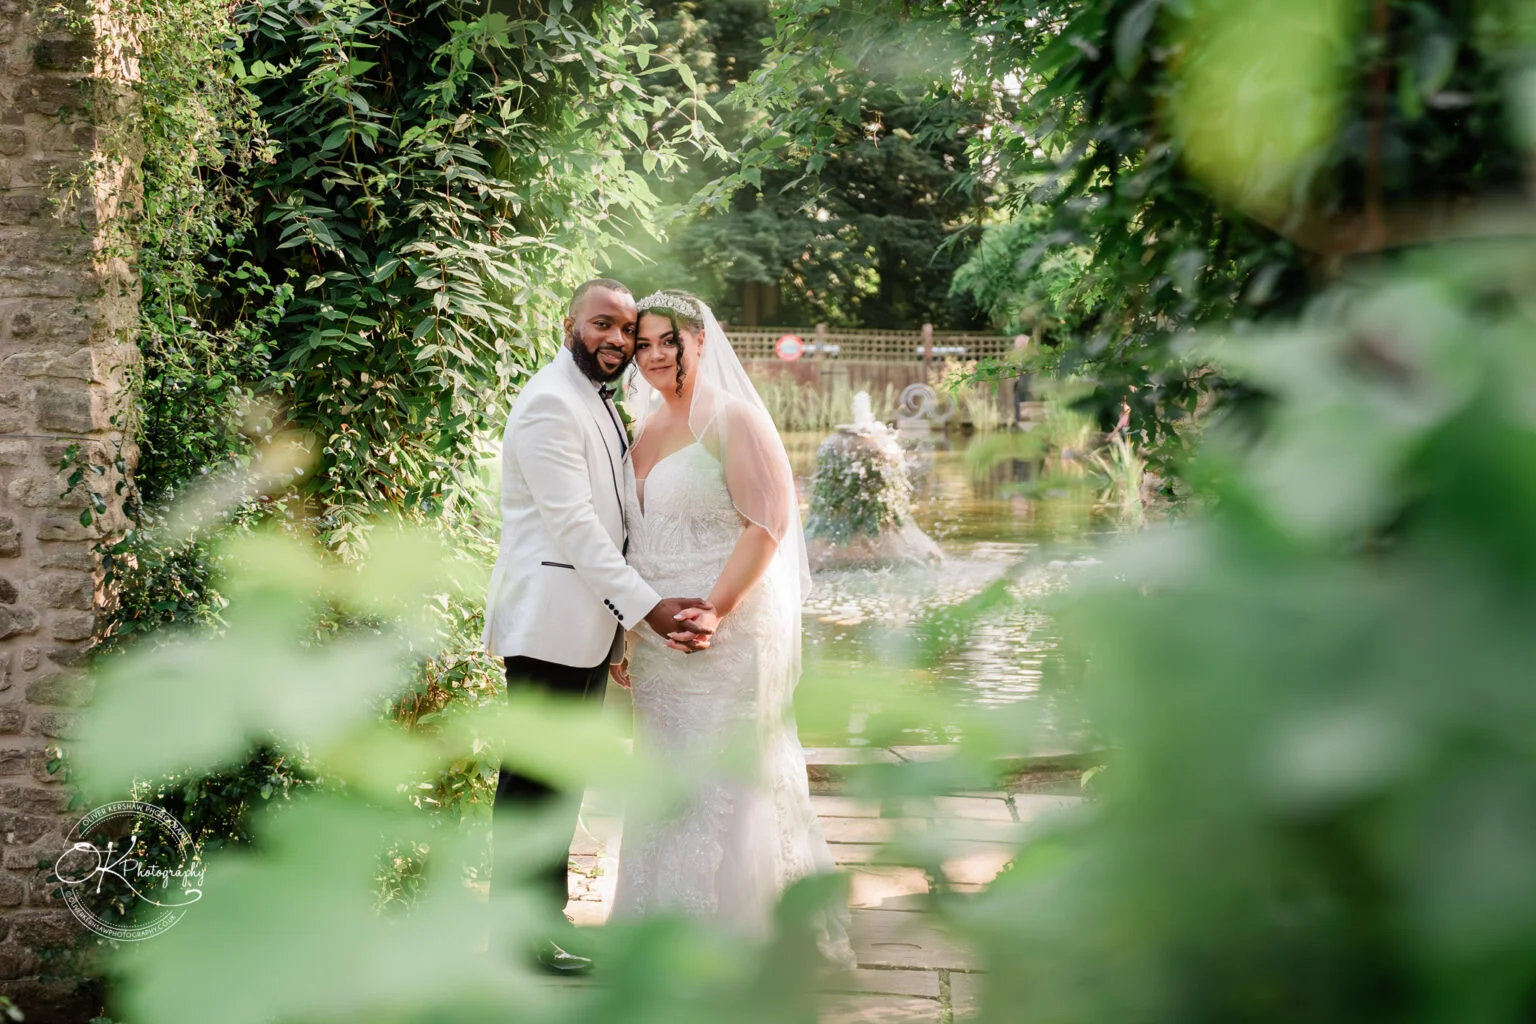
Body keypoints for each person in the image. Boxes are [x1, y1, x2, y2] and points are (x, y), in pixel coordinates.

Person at [609, 289, 856, 968]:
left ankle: (743, 939)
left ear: (700, 341)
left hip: (723, 631)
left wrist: (716, 608)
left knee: (725, 776)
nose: (656, 354)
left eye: (669, 341)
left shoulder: (733, 419)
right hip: (657, 636)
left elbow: (769, 523)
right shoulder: (646, 422)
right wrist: (626, 632)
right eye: (645, 344)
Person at [481, 278, 715, 974]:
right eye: (602, 325)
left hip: (583, 626)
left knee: (560, 786)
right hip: (549, 625)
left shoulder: (593, 399)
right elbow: (578, 530)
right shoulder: (552, 404)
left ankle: (540, 929)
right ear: (569, 326)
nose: (616, 340)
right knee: (533, 788)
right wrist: (646, 609)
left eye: (627, 329)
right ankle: (515, 944)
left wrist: (620, 631)